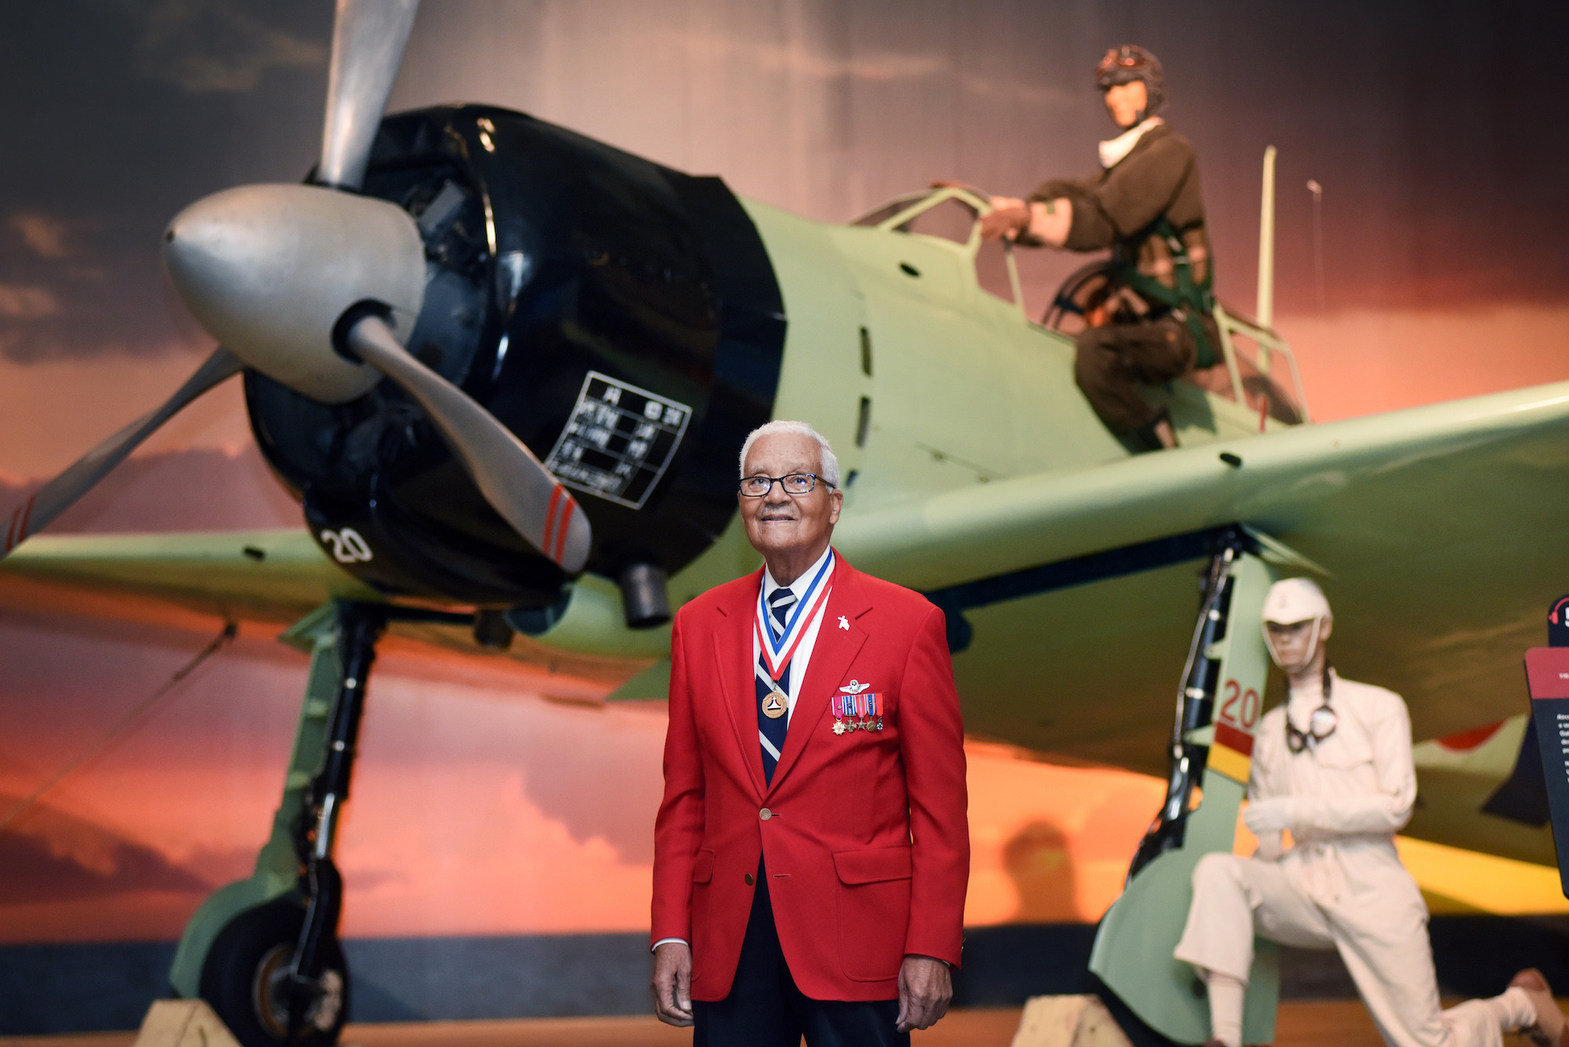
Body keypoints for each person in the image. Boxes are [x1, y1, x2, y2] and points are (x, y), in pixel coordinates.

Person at [650, 419, 970, 1046]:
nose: (775, 496)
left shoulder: (908, 623)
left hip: (859, 943)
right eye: (758, 482)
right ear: (742, 503)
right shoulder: (699, 623)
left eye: (798, 480)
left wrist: (933, 943)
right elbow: (684, 799)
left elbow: (940, 810)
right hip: (729, 944)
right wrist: (670, 932)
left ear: (834, 504)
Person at [1174, 577, 1567, 1047]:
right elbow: (1271, 840)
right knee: (1220, 874)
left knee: (1428, 1042)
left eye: (1297, 627)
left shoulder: (1378, 707)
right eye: (1275, 629)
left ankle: (1523, 1004)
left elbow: (1395, 806)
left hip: (1371, 882)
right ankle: (1225, 1037)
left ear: (1323, 627)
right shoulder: (1269, 732)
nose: (1286, 639)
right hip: (1303, 878)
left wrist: (1295, 809)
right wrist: (1261, 862)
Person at [979, 44, 1218, 449]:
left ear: (1150, 90)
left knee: (1095, 354)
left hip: (1177, 328)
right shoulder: (1123, 166)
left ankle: (1159, 446)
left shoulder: (1170, 153)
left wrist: (1030, 218)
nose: (1113, 97)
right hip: (1141, 327)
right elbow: (1076, 194)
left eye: (1125, 86)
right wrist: (1007, 211)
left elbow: (1108, 217)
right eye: (1108, 89)